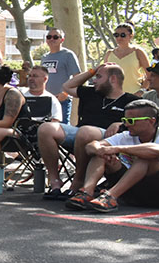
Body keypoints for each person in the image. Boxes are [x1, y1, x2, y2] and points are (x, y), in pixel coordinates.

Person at [37, 64, 139, 199]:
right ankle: (55, 181)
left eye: (99, 77)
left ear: (113, 79)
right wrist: (92, 71)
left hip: (107, 138)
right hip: (79, 133)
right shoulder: (91, 93)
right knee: (45, 128)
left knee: (86, 132)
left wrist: (121, 123)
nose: (94, 80)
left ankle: (78, 181)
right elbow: (67, 86)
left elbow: (139, 123)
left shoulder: (131, 101)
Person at [64, 100, 159, 212]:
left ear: (151, 121)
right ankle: (87, 192)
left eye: (131, 121)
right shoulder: (126, 136)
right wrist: (99, 149)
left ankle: (110, 196)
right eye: (124, 120)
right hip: (133, 193)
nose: (126, 125)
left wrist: (117, 148)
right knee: (102, 154)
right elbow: (91, 146)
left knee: (146, 158)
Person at [40, 28, 80, 125]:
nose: (51, 39)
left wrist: (66, 93)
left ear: (62, 40)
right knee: (45, 128)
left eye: (55, 37)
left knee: (62, 129)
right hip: (46, 99)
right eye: (49, 37)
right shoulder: (44, 57)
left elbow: (77, 77)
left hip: (62, 100)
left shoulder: (68, 55)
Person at [102, 22, 149, 94]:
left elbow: (150, 74)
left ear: (131, 36)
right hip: (113, 96)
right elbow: (104, 76)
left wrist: (141, 91)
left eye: (123, 35)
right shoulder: (109, 54)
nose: (119, 38)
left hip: (133, 95)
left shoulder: (138, 52)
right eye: (116, 35)